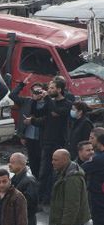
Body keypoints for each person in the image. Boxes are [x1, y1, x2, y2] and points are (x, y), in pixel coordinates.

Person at [30, 78, 73, 206]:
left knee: (57, 172)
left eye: (52, 88)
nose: (49, 90)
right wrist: (35, 100)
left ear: (59, 89)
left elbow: (55, 112)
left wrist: (47, 98)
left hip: (59, 142)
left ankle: (55, 198)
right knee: (44, 172)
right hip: (47, 141)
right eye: (48, 88)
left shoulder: (67, 103)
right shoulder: (50, 102)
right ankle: (41, 200)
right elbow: (38, 113)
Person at [10, 76, 47, 177]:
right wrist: (22, 84)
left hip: (42, 136)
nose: (37, 94)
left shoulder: (47, 103)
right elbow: (12, 95)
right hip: (29, 136)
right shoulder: (27, 101)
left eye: (39, 91)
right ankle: (35, 178)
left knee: (42, 159)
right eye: (35, 92)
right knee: (32, 159)